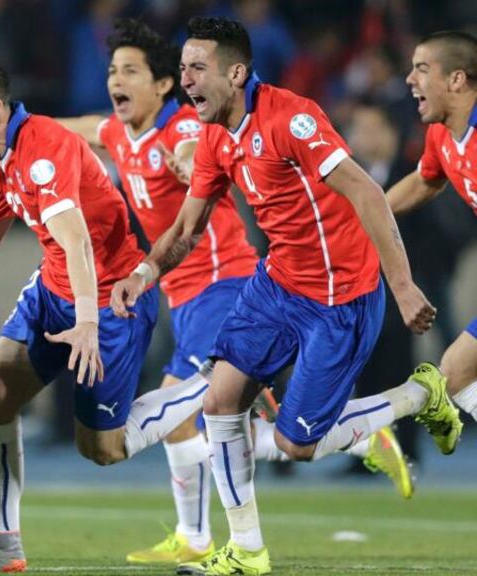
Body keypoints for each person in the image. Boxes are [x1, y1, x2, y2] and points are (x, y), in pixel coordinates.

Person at [108, 17, 462, 575]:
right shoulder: (213, 139)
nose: (186, 80)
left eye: (198, 69)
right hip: (276, 285)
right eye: (182, 70)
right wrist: (145, 272)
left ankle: (419, 396)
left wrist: (402, 285)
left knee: (298, 444)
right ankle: (247, 550)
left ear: (237, 72)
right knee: (220, 400)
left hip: (341, 294)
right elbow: (185, 228)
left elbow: (367, 192)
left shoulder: (291, 118)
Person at [0, 51, 218, 574]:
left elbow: (77, 239)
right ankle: (2, 544)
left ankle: (218, 384)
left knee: (103, 450)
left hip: (111, 301)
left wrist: (86, 321)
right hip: (52, 291)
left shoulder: (43, 151)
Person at [387, 30, 477, 432]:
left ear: (456, 80)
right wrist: (363, 216)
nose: (410, 79)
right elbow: (425, 182)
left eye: (422, 69)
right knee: (455, 375)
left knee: (454, 371)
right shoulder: (441, 135)